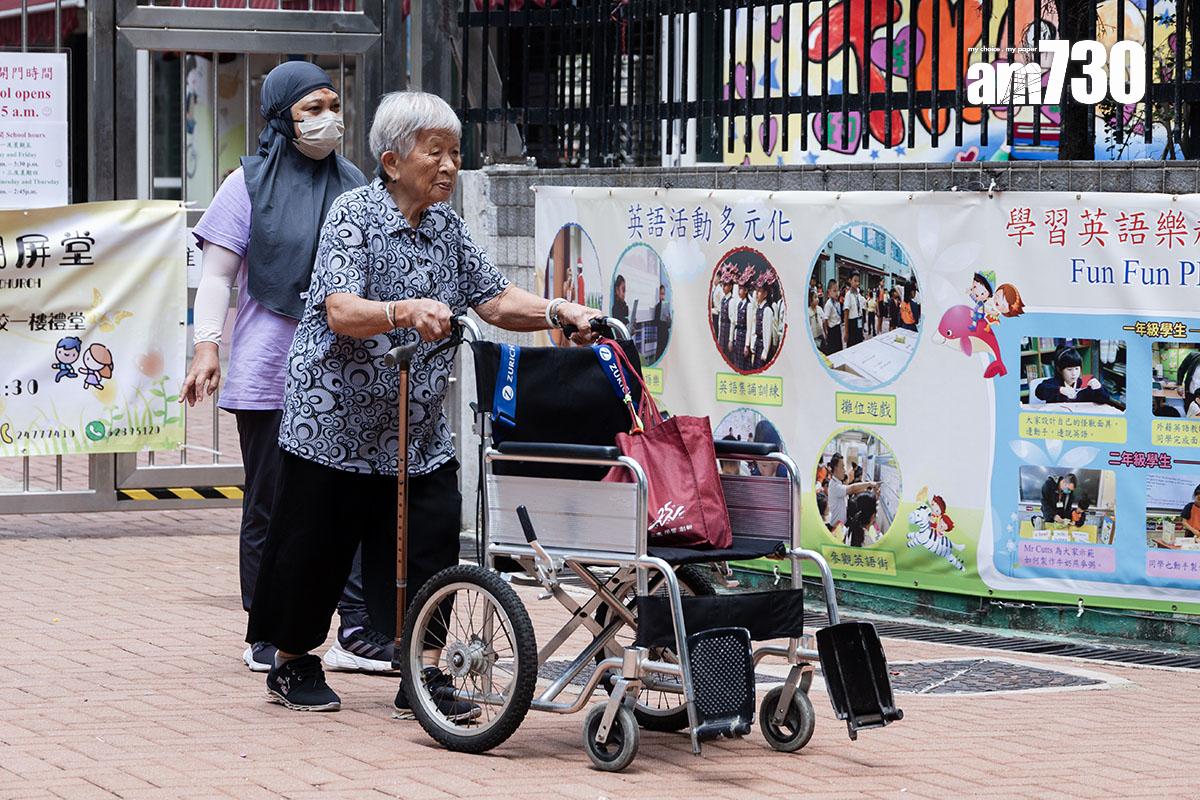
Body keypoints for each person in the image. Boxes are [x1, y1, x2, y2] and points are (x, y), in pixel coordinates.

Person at [245, 90, 601, 715]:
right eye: (434, 151)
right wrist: (403, 311)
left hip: (416, 426)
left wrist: (555, 310)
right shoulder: (352, 216)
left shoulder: (448, 227)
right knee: (316, 545)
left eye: (455, 153)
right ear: (391, 161)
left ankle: (424, 670)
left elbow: (491, 299)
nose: (448, 166)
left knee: (430, 542)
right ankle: (293, 660)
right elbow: (339, 310)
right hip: (337, 421)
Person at [179, 62, 390, 675]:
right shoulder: (246, 185)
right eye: (311, 110)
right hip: (270, 367)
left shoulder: (356, 185)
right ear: (281, 118)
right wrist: (207, 346)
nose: (328, 119)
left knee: (349, 500)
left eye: (332, 104)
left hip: (342, 370)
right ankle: (266, 631)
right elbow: (217, 275)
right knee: (272, 503)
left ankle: (356, 629)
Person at [1035, 347, 1114, 406]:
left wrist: (1099, 388)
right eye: (1069, 369)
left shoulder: (1086, 382)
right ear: (1060, 370)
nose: (1074, 373)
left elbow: (1105, 399)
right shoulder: (1053, 383)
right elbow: (1039, 391)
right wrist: (1060, 390)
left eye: (1077, 369)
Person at [824, 453, 878, 531]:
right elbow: (852, 489)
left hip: (841, 525)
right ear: (835, 468)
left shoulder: (838, 483)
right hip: (836, 527)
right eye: (842, 467)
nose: (845, 470)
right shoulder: (834, 486)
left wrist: (869, 488)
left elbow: (853, 490)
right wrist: (869, 483)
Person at [748, 277, 774, 370]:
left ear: (765, 294)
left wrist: (765, 351)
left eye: (759, 291)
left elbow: (767, 333)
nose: (756, 294)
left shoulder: (767, 310)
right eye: (756, 291)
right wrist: (753, 344)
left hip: (763, 346)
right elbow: (755, 328)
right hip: (758, 344)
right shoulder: (759, 308)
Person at [731, 269, 753, 370]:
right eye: (739, 288)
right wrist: (733, 339)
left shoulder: (749, 305)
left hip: (744, 337)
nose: (739, 291)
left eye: (742, 289)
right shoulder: (739, 303)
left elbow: (749, 327)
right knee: (736, 362)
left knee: (743, 364)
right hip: (738, 336)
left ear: (746, 291)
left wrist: (747, 345)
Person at [843, 272, 864, 347]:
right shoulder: (848, 295)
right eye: (855, 281)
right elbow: (846, 313)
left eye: (858, 281)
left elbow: (860, 309)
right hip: (852, 323)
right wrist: (846, 331)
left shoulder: (858, 293)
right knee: (852, 344)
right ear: (850, 280)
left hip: (859, 320)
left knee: (859, 343)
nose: (857, 283)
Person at [1176, 351, 1200, 418]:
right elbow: (1181, 369)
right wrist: (1179, 385)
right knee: (1188, 413)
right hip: (1190, 393)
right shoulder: (1193, 355)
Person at [823, 279, 843, 355]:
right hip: (832, 330)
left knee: (839, 347)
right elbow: (825, 319)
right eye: (834, 291)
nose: (837, 293)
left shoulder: (837, 303)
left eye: (837, 290)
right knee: (833, 350)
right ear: (829, 292)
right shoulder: (829, 304)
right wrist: (826, 332)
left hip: (838, 328)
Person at [652, 283, 671, 360]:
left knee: (666, 351)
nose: (662, 296)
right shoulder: (657, 307)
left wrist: (668, 319)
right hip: (660, 332)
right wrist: (660, 319)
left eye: (663, 294)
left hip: (666, 332)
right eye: (661, 294)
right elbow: (655, 322)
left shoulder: (666, 306)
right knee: (659, 350)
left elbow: (669, 324)